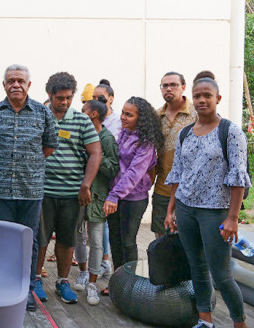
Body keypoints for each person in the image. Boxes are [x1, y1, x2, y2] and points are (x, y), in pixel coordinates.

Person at [165, 77, 250, 328]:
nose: (202, 100)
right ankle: (206, 320)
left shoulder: (231, 132)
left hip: (216, 213)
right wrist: (170, 210)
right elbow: (178, 174)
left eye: (207, 95)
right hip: (186, 208)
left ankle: (239, 322)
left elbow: (238, 177)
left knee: (222, 275)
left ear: (217, 99)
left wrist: (232, 218)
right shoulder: (185, 134)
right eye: (198, 96)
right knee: (197, 267)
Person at [0, 64, 58, 312]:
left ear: (29, 85)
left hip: (31, 189)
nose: (16, 84)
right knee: (5, 240)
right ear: (4, 85)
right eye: (11, 80)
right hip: (2, 189)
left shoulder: (42, 113)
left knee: (29, 240)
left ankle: (25, 289)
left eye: (20, 81)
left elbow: (48, 147)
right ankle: (6, 287)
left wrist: (28, 164)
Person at [35, 72, 101, 305]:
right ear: (50, 95)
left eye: (68, 98)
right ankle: (36, 280)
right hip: (42, 191)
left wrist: (86, 184)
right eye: (60, 98)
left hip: (73, 193)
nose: (64, 102)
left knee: (67, 239)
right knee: (40, 238)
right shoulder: (40, 117)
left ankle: (62, 281)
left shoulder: (82, 120)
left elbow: (95, 152)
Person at [104, 97, 163, 269]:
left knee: (128, 242)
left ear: (140, 119)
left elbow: (134, 172)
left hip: (133, 199)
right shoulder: (123, 134)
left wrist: (114, 195)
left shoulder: (146, 142)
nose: (123, 117)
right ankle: (118, 280)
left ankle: (130, 284)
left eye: (129, 115)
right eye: (123, 112)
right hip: (115, 196)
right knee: (115, 240)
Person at [79, 98, 119, 305]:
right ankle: (83, 273)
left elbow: (113, 168)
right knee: (78, 238)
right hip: (77, 196)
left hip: (97, 197)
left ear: (93, 114)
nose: (80, 112)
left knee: (96, 241)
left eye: (84, 109)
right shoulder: (80, 133)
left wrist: (96, 154)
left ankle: (93, 282)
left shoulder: (107, 139)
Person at [152, 72, 198, 238]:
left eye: (173, 85)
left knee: (187, 239)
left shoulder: (196, 114)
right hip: (163, 188)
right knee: (161, 240)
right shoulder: (156, 116)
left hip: (190, 191)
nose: (168, 88)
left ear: (183, 88)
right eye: (165, 85)